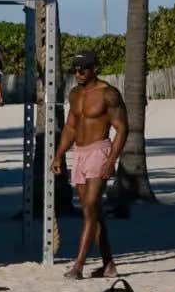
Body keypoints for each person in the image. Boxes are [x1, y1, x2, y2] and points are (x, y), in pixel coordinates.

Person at [54, 51, 127, 279]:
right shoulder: (75, 94)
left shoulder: (109, 94)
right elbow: (70, 127)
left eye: (83, 69)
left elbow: (122, 129)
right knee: (94, 211)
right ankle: (109, 265)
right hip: (80, 154)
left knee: (89, 208)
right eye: (75, 69)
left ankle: (78, 266)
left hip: (99, 151)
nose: (78, 73)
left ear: (95, 68)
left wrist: (111, 160)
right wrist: (59, 154)